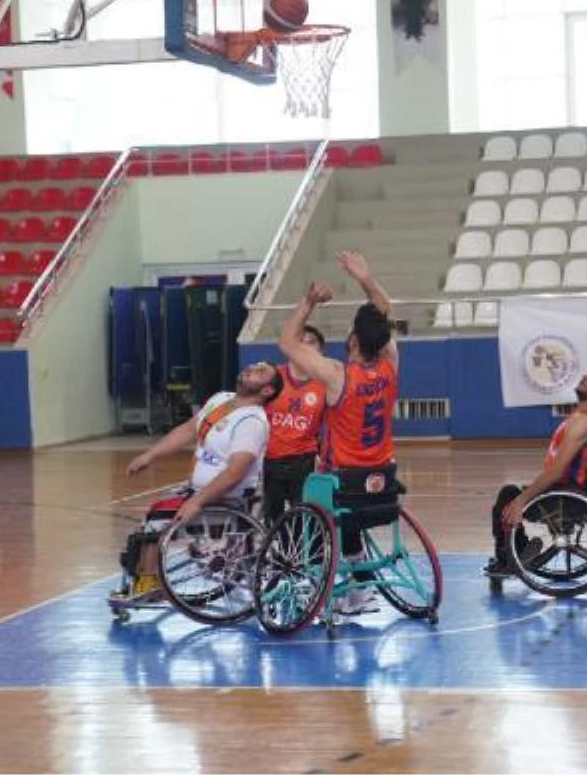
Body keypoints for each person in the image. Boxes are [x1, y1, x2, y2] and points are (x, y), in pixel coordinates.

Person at [277, 250, 399, 615]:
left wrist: (308, 303)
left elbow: (287, 343)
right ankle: (360, 580)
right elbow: (384, 313)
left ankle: (323, 579)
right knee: (348, 508)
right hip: (382, 477)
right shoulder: (391, 364)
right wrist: (365, 278)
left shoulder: (337, 375)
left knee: (310, 491)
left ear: (354, 342)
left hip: (340, 479)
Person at [110, 361, 284, 604]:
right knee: (149, 521)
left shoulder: (252, 423)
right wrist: (151, 455)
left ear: (267, 391)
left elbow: (235, 473)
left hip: (226, 500)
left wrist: (196, 502)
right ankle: (145, 578)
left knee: (156, 521)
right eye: (254, 366)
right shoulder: (222, 400)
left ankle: (149, 583)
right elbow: (189, 430)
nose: (252, 368)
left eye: (261, 372)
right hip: (198, 491)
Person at [484, 360, 587, 587]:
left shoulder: (584, 423)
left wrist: (522, 500)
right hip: (565, 494)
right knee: (514, 493)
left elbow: (556, 471)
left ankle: (509, 558)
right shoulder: (581, 419)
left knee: (508, 496)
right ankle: (520, 552)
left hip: (563, 500)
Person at [262, 324, 328, 526]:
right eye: (300, 342)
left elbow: (333, 427)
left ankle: (306, 555)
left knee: (304, 520)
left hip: (304, 461)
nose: (305, 347)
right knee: (273, 521)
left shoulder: (326, 383)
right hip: (269, 460)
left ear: (320, 351)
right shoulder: (272, 377)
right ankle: (278, 556)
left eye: (311, 343)